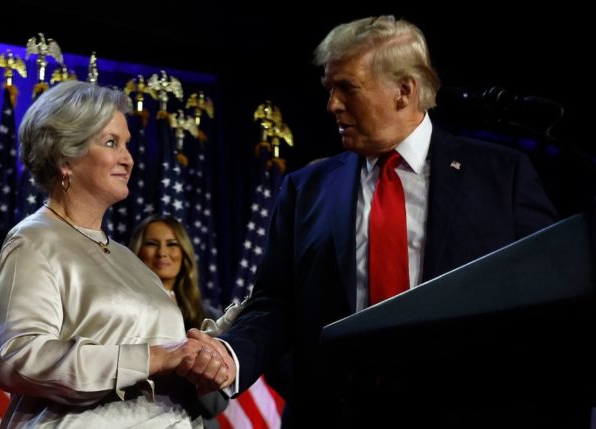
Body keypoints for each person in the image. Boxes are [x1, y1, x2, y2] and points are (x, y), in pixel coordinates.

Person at [187, 15, 558, 427]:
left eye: (347, 87)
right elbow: (275, 302)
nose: (332, 105)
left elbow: (548, 301)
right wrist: (232, 353)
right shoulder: (305, 189)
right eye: (329, 89)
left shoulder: (502, 177)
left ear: (405, 90)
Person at [0, 80, 229, 428]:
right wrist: (153, 359)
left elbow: (168, 354)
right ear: (65, 157)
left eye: (127, 144)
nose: (127, 159)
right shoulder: (34, 241)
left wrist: (216, 341)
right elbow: (15, 358)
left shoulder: (128, 259)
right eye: (111, 143)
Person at [129, 214, 230, 429]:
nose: (162, 253)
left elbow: (215, 404)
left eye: (172, 244)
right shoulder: (122, 313)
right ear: (137, 252)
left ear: (184, 253)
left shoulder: (209, 317)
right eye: (152, 244)